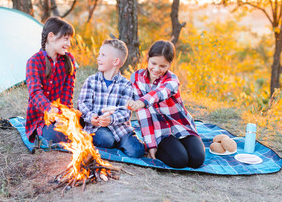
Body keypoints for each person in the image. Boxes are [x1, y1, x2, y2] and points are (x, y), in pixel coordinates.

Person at [126, 40, 205, 168]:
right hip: (159, 130)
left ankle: (181, 145)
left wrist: (141, 102)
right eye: (153, 63)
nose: (156, 69)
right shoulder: (136, 77)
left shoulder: (172, 80)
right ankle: (165, 148)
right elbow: (143, 115)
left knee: (197, 160)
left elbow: (160, 93)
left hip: (180, 125)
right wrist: (150, 145)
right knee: (180, 160)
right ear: (148, 58)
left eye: (162, 66)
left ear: (169, 64)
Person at [78, 39, 145, 158]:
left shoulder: (126, 85)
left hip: (120, 128)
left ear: (116, 61)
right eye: (99, 54)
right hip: (97, 126)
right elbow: (83, 104)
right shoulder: (91, 81)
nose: (98, 58)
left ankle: (122, 142)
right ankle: (112, 142)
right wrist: (91, 116)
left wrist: (111, 119)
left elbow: (125, 112)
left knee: (137, 151)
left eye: (103, 55)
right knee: (106, 139)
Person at [26, 17, 76, 143]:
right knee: (56, 135)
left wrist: (63, 115)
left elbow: (67, 93)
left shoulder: (69, 60)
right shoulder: (34, 62)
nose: (68, 44)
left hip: (62, 114)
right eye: (66, 39)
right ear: (51, 36)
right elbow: (35, 93)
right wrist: (51, 111)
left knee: (82, 124)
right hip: (41, 117)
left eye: (70, 40)